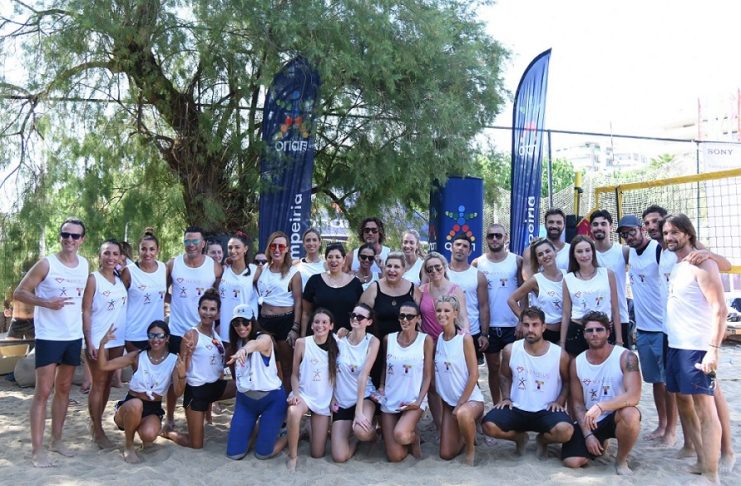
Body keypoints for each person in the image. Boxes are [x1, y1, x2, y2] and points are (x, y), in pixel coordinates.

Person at [643, 205, 735, 465]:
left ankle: (726, 451)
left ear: (686, 233)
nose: (654, 227)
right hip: (671, 333)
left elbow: (725, 267)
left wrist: (709, 253)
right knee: (683, 397)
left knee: (710, 397)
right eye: (649, 224)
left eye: (658, 222)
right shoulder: (663, 253)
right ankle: (693, 449)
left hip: (695, 339)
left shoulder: (696, 255)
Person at [13, 217, 89, 467]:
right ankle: (37, 450)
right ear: (60, 237)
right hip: (49, 336)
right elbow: (19, 292)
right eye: (65, 234)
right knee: (43, 392)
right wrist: (46, 302)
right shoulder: (47, 264)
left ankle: (56, 440)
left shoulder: (84, 264)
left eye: (75, 236)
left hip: (73, 336)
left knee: (64, 389)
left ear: (82, 240)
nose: (69, 239)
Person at [662, 214, 727, 484]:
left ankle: (712, 474)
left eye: (675, 232)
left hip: (697, 347)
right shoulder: (677, 264)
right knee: (682, 402)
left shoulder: (702, 263)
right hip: (676, 345)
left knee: (705, 409)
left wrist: (713, 350)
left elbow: (720, 310)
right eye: (666, 233)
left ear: (688, 234)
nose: (669, 237)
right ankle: (702, 460)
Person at [482, 307, 573, 458]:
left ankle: (542, 441)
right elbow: (504, 376)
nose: (530, 329)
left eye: (535, 324)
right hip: (517, 407)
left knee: (566, 431)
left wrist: (559, 401)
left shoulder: (559, 354)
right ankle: (519, 438)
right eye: (526, 324)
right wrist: (506, 397)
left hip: (546, 410)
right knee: (488, 426)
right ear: (521, 326)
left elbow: (567, 381)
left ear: (543, 327)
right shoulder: (510, 350)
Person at [619, 214, 676, 445]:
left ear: (641, 229)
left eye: (631, 231)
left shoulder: (658, 249)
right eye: (624, 234)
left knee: (670, 383)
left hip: (663, 328)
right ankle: (662, 424)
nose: (629, 237)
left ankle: (671, 430)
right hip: (642, 329)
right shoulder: (629, 252)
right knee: (655, 382)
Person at [562, 311, 642, 475]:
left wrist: (601, 406)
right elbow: (577, 405)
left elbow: (634, 396)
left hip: (616, 415)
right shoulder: (577, 363)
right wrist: (588, 435)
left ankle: (621, 460)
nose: (594, 334)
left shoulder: (626, 357)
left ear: (608, 332)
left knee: (631, 414)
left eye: (599, 330)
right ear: (584, 334)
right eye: (589, 330)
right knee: (572, 462)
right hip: (591, 420)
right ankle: (600, 440)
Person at [97, 321, 186, 464]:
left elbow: (178, 391)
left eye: (160, 336)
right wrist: (102, 344)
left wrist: (182, 375)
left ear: (167, 338)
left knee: (149, 435)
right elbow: (104, 366)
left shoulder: (174, 360)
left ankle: (140, 429)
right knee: (136, 405)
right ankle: (129, 445)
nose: (156, 339)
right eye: (152, 335)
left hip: (152, 408)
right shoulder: (138, 356)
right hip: (130, 405)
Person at [163, 289, 236, 449]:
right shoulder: (191, 335)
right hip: (196, 392)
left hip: (215, 388)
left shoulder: (215, 335)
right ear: (198, 310)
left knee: (243, 387)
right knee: (196, 444)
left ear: (218, 313)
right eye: (204, 308)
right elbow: (182, 369)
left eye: (212, 309)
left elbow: (215, 367)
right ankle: (169, 432)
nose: (208, 313)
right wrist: (188, 354)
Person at [165, 226, 222, 429]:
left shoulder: (214, 267)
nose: (191, 245)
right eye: (187, 241)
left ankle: (207, 415)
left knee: (207, 373)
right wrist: (175, 302)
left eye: (195, 241)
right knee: (175, 376)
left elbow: (218, 295)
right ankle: (170, 416)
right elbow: (162, 290)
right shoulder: (173, 264)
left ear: (203, 243)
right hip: (177, 331)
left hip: (205, 331)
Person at [82, 239, 129, 449]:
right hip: (98, 339)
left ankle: (96, 423)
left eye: (115, 254)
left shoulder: (119, 278)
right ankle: (97, 430)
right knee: (98, 384)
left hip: (117, 339)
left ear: (120, 257)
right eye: (106, 253)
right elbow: (85, 310)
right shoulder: (93, 279)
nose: (111, 257)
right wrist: (89, 339)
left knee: (108, 382)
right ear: (99, 255)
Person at [225, 304, 287, 461]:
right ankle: (255, 428)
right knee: (234, 453)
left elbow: (257, 344)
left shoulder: (264, 338)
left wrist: (244, 350)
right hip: (246, 401)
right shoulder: (234, 344)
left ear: (253, 321)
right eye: (236, 323)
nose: (241, 327)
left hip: (271, 399)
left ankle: (291, 434)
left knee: (263, 454)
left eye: (245, 322)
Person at [474, 223, 523, 403]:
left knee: (513, 368)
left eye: (498, 235)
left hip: (513, 324)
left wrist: (522, 319)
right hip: (489, 326)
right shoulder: (477, 263)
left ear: (505, 238)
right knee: (493, 368)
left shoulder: (517, 261)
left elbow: (524, 292)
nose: (494, 239)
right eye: (490, 235)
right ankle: (497, 406)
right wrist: (483, 329)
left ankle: (514, 405)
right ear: (486, 238)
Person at [418, 251, 468, 429]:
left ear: (444, 267)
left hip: (450, 340)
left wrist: (465, 335)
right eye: (429, 268)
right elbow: (416, 315)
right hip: (429, 343)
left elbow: (463, 316)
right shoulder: (421, 290)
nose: (434, 271)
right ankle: (440, 425)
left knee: (460, 379)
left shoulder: (455, 289)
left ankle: (471, 419)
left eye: (437, 267)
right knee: (432, 384)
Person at [379, 302, 433, 462]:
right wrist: (381, 386)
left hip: (413, 399)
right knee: (395, 456)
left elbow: (428, 375)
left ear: (418, 318)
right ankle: (408, 432)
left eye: (410, 316)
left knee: (401, 435)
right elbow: (385, 367)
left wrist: (418, 401)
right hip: (391, 398)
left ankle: (414, 437)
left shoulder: (425, 340)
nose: (405, 320)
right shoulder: (388, 339)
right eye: (402, 316)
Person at [286, 308, 339, 471]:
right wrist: (295, 394)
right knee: (293, 411)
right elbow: (294, 374)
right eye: (316, 322)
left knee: (317, 453)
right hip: (304, 394)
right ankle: (292, 456)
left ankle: (307, 429)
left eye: (324, 322)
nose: (320, 325)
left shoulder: (338, 344)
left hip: (323, 399)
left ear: (331, 326)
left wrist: (333, 398)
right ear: (311, 325)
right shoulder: (302, 343)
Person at [433, 295, 484, 465]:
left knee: (463, 414)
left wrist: (461, 403)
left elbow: (474, 375)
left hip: (470, 400)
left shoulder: (465, 338)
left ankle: (470, 448)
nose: (442, 314)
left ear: (455, 313)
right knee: (446, 454)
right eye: (439, 310)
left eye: (447, 310)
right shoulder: (439, 339)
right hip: (449, 403)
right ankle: (465, 433)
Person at [360, 252, 420, 387]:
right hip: (377, 346)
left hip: (405, 347)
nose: (392, 270)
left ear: (404, 269)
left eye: (396, 267)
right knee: (377, 383)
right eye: (389, 266)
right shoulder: (374, 288)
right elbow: (361, 315)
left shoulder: (413, 290)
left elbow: (420, 318)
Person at [331, 304, 380, 463]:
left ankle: (373, 433)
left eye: (360, 317)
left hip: (364, 396)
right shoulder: (339, 338)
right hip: (342, 400)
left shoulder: (372, 341)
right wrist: (332, 397)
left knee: (362, 431)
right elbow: (331, 371)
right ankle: (355, 441)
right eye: (353, 315)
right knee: (340, 457)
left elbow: (363, 376)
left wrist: (358, 411)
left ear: (369, 322)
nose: (355, 319)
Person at [255, 231, 302, 391]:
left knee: (286, 366)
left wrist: (295, 327)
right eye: (273, 246)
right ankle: (267, 399)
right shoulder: (262, 269)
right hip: (264, 322)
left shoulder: (294, 273)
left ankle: (287, 400)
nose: (277, 249)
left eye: (281, 246)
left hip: (285, 322)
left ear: (287, 249)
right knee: (265, 364)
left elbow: (298, 302)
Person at [560, 235, 622, 357]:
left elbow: (615, 309)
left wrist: (619, 340)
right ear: (573, 255)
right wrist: (562, 343)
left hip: (603, 330)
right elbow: (566, 314)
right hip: (577, 331)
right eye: (579, 251)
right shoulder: (568, 279)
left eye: (587, 250)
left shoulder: (608, 274)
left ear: (593, 252)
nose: (584, 255)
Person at [508, 238, 565, 344]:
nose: (545, 256)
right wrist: (525, 320)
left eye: (547, 251)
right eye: (540, 254)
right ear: (538, 260)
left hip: (565, 332)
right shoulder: (536, 280)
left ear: (555, 252)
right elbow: (511, 300)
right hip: (545, 334)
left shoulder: (567, 275)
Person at [301, 243, 363, 335]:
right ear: (326, 260)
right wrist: (303, 337)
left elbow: (360, 314)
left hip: (346, 337)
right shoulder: (314, 281)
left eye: (338, 257)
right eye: (330, 257)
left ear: (344, 259)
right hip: (318, 335)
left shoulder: (355, 283)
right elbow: (306, 313)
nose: (334, 260)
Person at [121, 229, 167, 352]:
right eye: (143, 249)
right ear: (138, 250)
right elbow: (119, 300)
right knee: (137, 365)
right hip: (134, 332)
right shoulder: (129, 271)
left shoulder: (164, 268)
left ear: (157, 250)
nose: (148, 253)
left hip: (157, 333)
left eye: (152, 249)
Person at [590, 210, 630, 346]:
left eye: (603, 224)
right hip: (594, 320)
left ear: (611, 227)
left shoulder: (623, 251)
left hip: (620, 318)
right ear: (590, 228)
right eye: (595, 224)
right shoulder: (585, 253)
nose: (599, 227)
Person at [447, 234, 490, 361]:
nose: (460, 248)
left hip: (471, 331)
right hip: (445, 330)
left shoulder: (478, 276)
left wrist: (484, 334)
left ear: (470, 251)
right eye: (458, 245)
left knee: (471, 370)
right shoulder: (441, 273)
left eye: (465, 246)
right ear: (451, 247)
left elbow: (484, 306)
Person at [218, 231, 258, 344]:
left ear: (245, 249)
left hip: (245, 327)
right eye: (230, 247)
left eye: (237, 247)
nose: (233, 251)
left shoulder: (255, 271)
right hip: (225, 327)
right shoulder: (223, 269)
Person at [522, 208, 571, 280]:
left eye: (558, 222)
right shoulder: (531, 251)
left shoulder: (571, 250)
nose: (554, 226)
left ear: (564, 225)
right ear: (545, 224)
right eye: (551, 222)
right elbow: (528, 280)